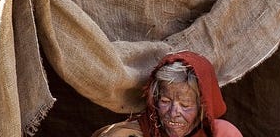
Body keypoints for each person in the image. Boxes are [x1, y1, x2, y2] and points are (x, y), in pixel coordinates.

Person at [93, 51, 243, 137]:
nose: (173, 113)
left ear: (202, 106)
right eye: (165, 101)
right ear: (155, 99)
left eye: (185, 105)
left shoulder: (223, 134)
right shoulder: (129, 134)